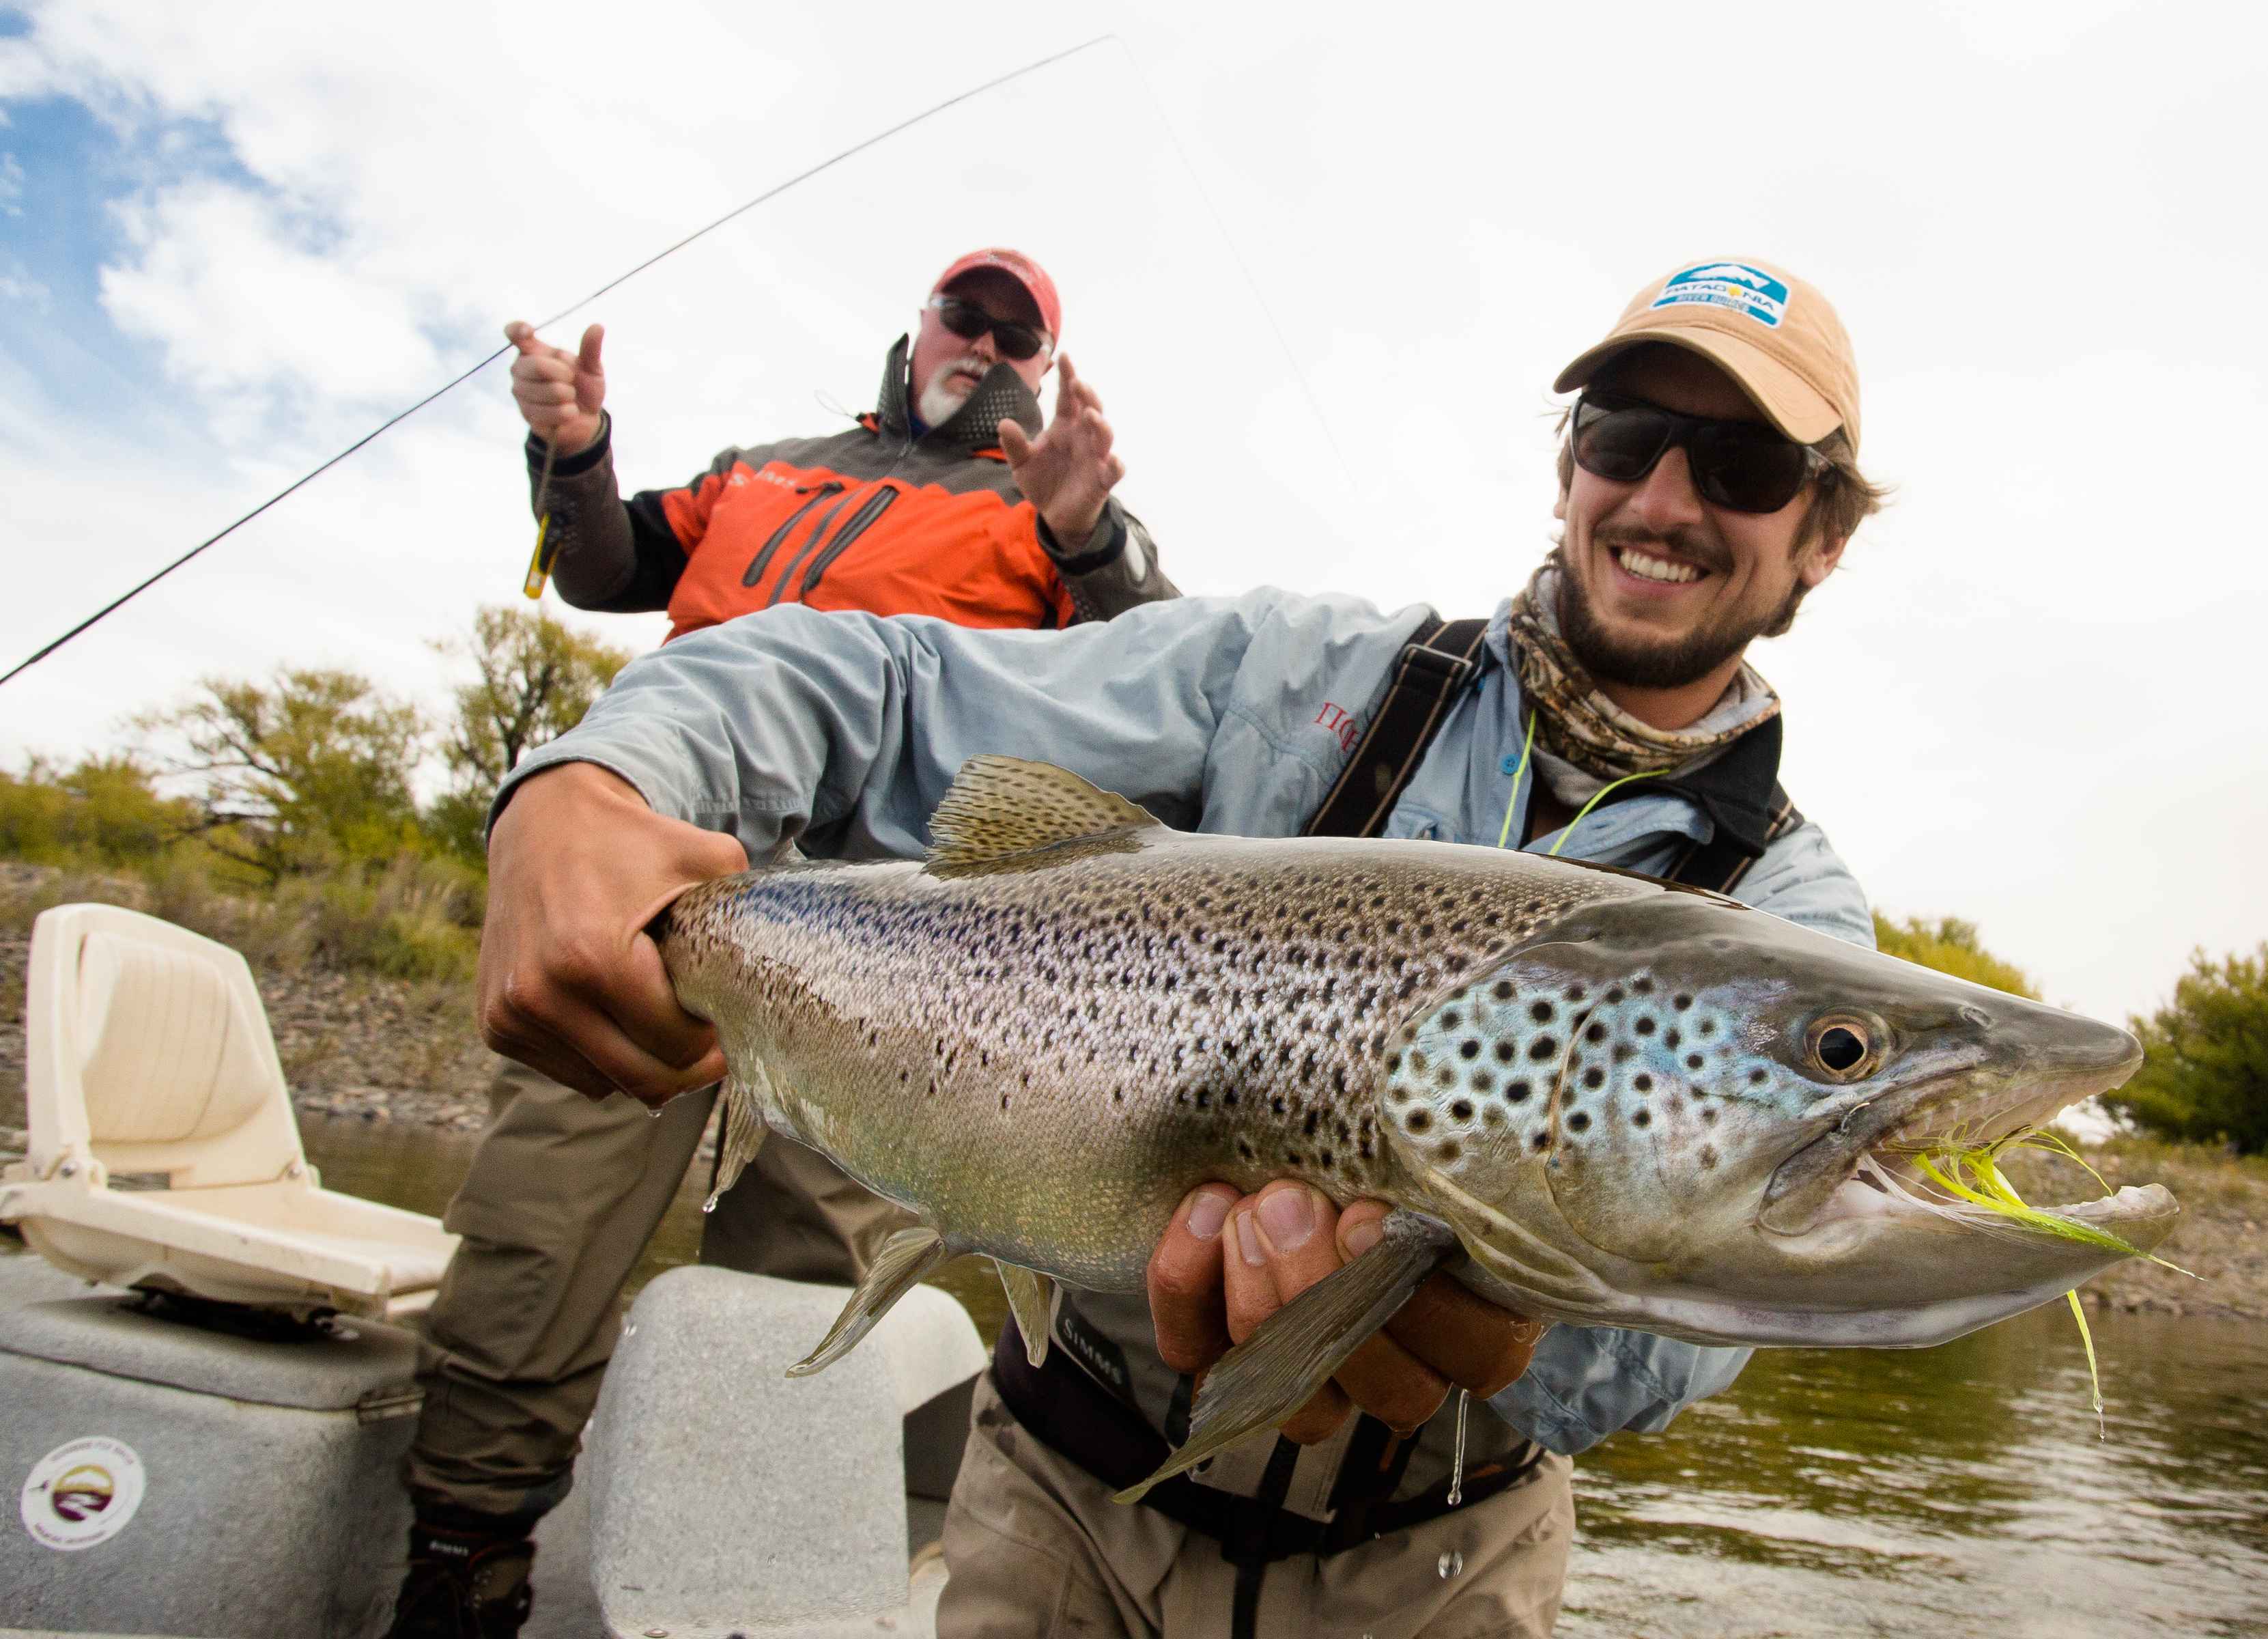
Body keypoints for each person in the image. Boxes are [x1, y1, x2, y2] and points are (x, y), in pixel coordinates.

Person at [476, 255, 1886, 1638]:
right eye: (1627, 437)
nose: (1663, 498)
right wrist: (590, 782)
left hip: (1435, 1574)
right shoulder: (1291, 675)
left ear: (1823, 534)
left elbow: (1702, 1331)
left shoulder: (1804, 930)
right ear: (1573, 462)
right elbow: (887, 681)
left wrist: (1523, 1335)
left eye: (1743, 467)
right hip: (1061, 1507)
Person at [386, 248, 1178, 1639]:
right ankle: (463, 1565)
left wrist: (1087, 538)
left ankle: (720, 1591)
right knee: (538, 1230)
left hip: (892, 956)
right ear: (919, 325)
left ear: (1043, 369)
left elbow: (1164, 694)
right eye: (966, 315)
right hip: (668, 879)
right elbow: (606, 565)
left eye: (1017, 334)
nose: (983, 344)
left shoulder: (1062, 507)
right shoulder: (764, 464)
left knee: (805, 1283)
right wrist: (572, 450)